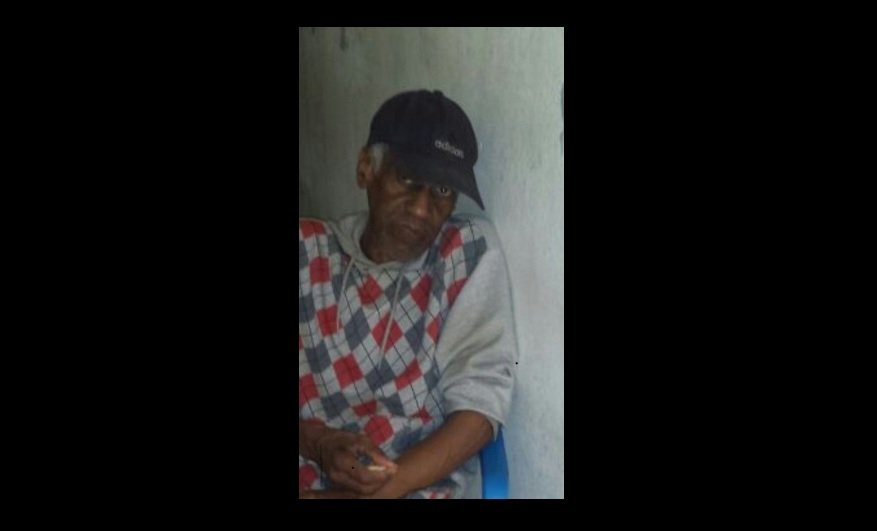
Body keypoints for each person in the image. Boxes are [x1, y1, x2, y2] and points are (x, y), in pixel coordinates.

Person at [298, 89, 517, 499]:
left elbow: (481, 408)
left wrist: (377, 494)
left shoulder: (464, 254)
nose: (421, 209)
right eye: (408, 179)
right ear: (366, 168)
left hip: (417, 483)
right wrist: (320, 444)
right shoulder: (308, 252)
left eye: (443, 191)